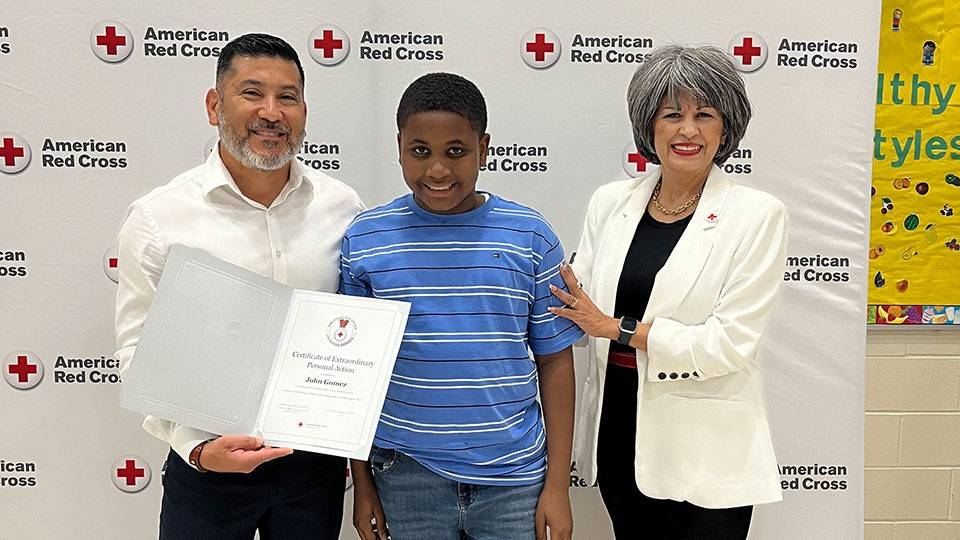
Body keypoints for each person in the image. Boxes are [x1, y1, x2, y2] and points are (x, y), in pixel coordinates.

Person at [114, 33, 364, 539]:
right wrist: (198, 449)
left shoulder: (342, 208)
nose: (271, 112)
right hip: (207, 467)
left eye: (287, 97)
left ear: (304, 111)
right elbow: (136, 353)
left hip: (313, 468)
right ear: (214, 105)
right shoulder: (159, 218)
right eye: (252, 93)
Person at [549, 45, 788, 539]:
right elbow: (578, 303)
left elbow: (729, 344)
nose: (687, 130)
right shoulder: (610, 202)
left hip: (710, 447)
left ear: (726, 129)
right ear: (648, 126)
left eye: (704, 114)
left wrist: (618, 329)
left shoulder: (757, 215)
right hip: (619, 426)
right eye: (672, 114)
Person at [341, 72, 582, 540]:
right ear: (399, 146)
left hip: (513, 480)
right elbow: (354, 372)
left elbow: (555, 361)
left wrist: (558, 486)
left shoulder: (529, 236)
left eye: (456, 151)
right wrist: (363, 484)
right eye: (419, 151)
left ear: (484, 147)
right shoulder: (365, 239)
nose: (437, 170)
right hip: (405, 474)